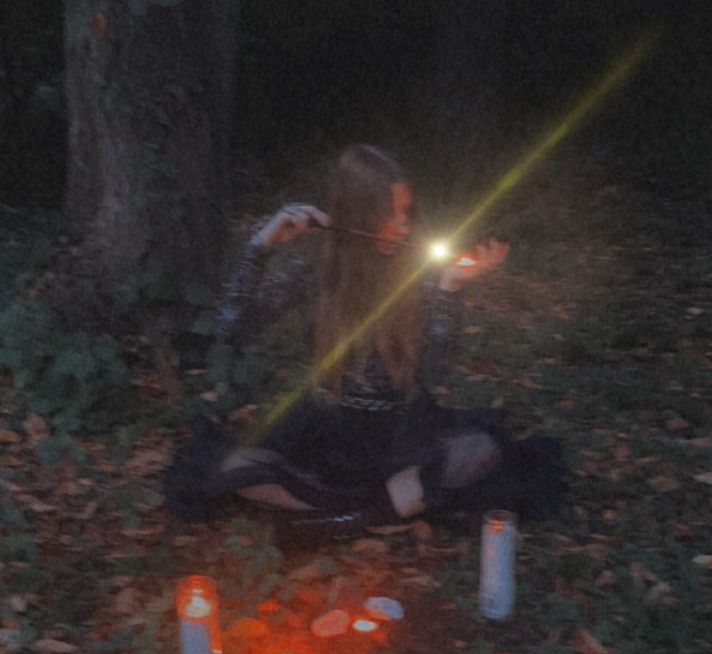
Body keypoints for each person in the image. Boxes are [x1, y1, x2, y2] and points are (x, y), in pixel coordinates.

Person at [164, 144, 567, 540]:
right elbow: (232, 328)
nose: (404, 225)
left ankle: (342, 521)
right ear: (359, 214)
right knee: (235, 468)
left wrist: (450, 289)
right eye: (390, 213)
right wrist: (260, 246)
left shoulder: (416, 271)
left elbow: (438, 366)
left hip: (401, 434)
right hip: (325, 433)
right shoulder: (313, 271)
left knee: (483, 450)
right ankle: (381, 511)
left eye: (406, 211)